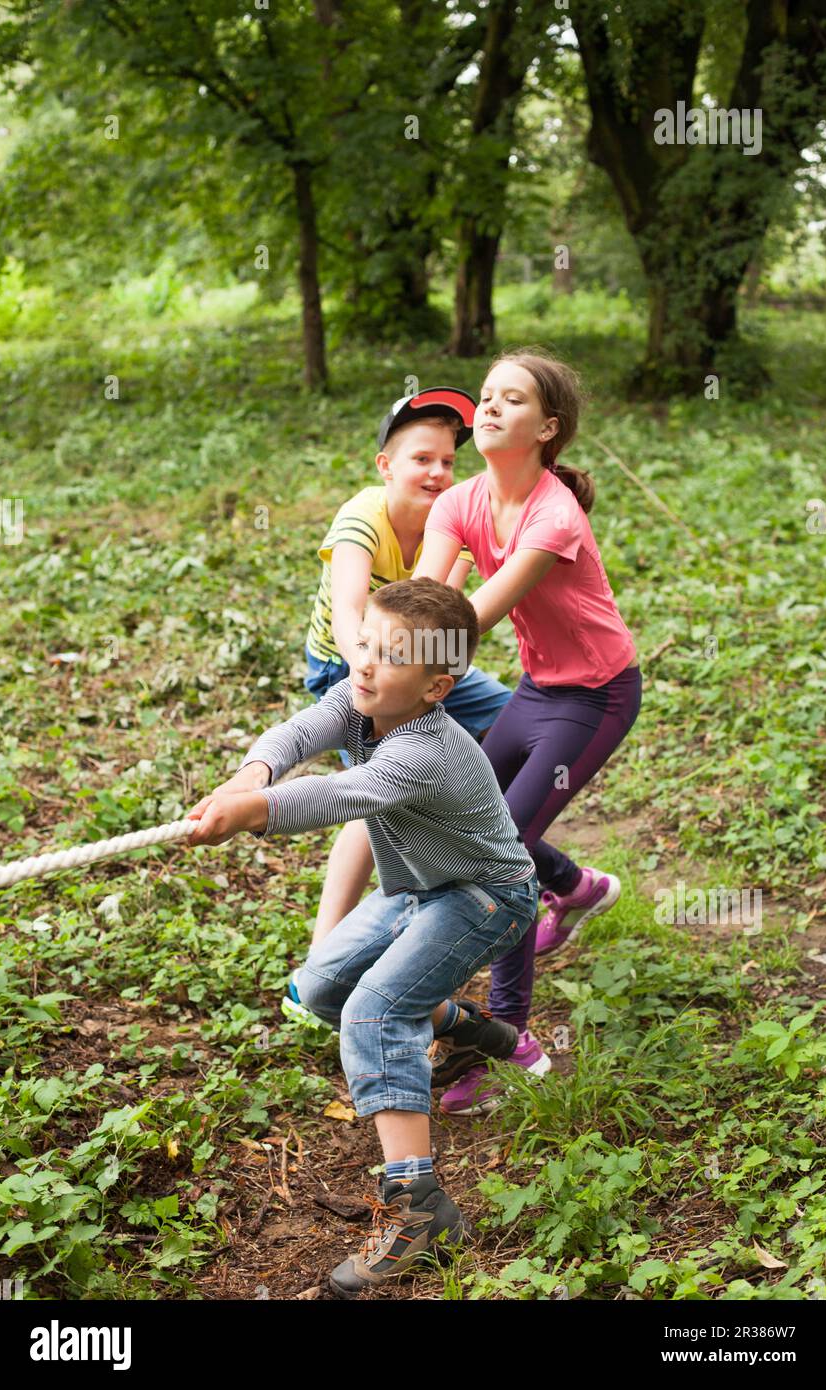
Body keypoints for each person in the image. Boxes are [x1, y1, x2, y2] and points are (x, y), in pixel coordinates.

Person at [186, 578, 538, 1297]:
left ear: (437, 685)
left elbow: (341, 796)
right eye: (366, 646)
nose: (367, 665)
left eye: (391, 656)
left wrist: (255, 809)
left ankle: (419, 1213)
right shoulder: (363, 698)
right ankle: (461, 1026)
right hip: (413, 889)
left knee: (374, 1013)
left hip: (485, 897)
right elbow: (302, 732)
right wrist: (252, 772)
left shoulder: (426, 750)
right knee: (319, 988)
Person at [415, 348, 642, 1115]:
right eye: (485, 396)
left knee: (498, 855)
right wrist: (388, 664)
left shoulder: (555, 513)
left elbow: (471, 617)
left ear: (547, 429)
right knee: (471, 818)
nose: (489, 408)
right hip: (538, 688)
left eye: (511, 400)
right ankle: (576, 887)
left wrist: (416, 667)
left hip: (598, 697)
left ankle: (504, 1048)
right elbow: (428, 600)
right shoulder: (460, 503)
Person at [283, 388, 511, 1022]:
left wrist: (431, 676)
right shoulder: (362, 515)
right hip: (348, 660)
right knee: (370, 792)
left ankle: (475, 842)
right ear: (386, 465)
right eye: (421, 459)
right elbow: (352, 609)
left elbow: (441, 621)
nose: (437, 472)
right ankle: (324, 950)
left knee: (511, 718)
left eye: (446, 461)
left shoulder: (454, 524)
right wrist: (371, 664)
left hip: (421, 663)